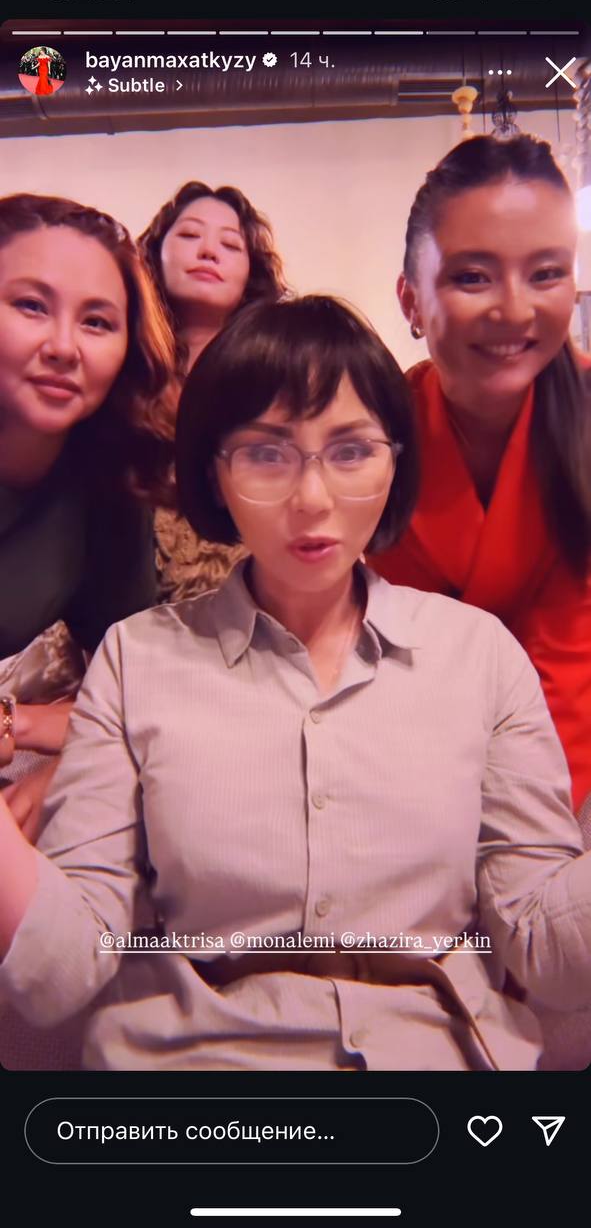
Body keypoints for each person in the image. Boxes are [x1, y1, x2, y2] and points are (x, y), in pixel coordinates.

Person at [1, 294, 590, 1073]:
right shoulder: (135, 661)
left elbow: (548, 949)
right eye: (265, 453)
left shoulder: (478, 655)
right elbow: (62, 968)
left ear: (394, 463)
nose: (312, 499)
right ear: (214, 471)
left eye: (350, 450)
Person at [369, 134, 591, 810]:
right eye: (472, 276)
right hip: (405, 751)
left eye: (546, 273)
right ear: (410, 300)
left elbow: (570, 661)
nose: (515, 309)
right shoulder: (375, 429)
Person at [0, 193, 178, 838]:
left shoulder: (111, 484)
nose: (64, 346)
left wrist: (71, 763)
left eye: (97, 322)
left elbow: (134, 681)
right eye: (31, 306)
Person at [138, 181, 287, 600]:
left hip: (244, 599)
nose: (208, 252)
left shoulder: (277, 379)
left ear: (250, 273)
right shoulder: (119, 373)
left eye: (230, 244)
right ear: (155, 254)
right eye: (189, 235)